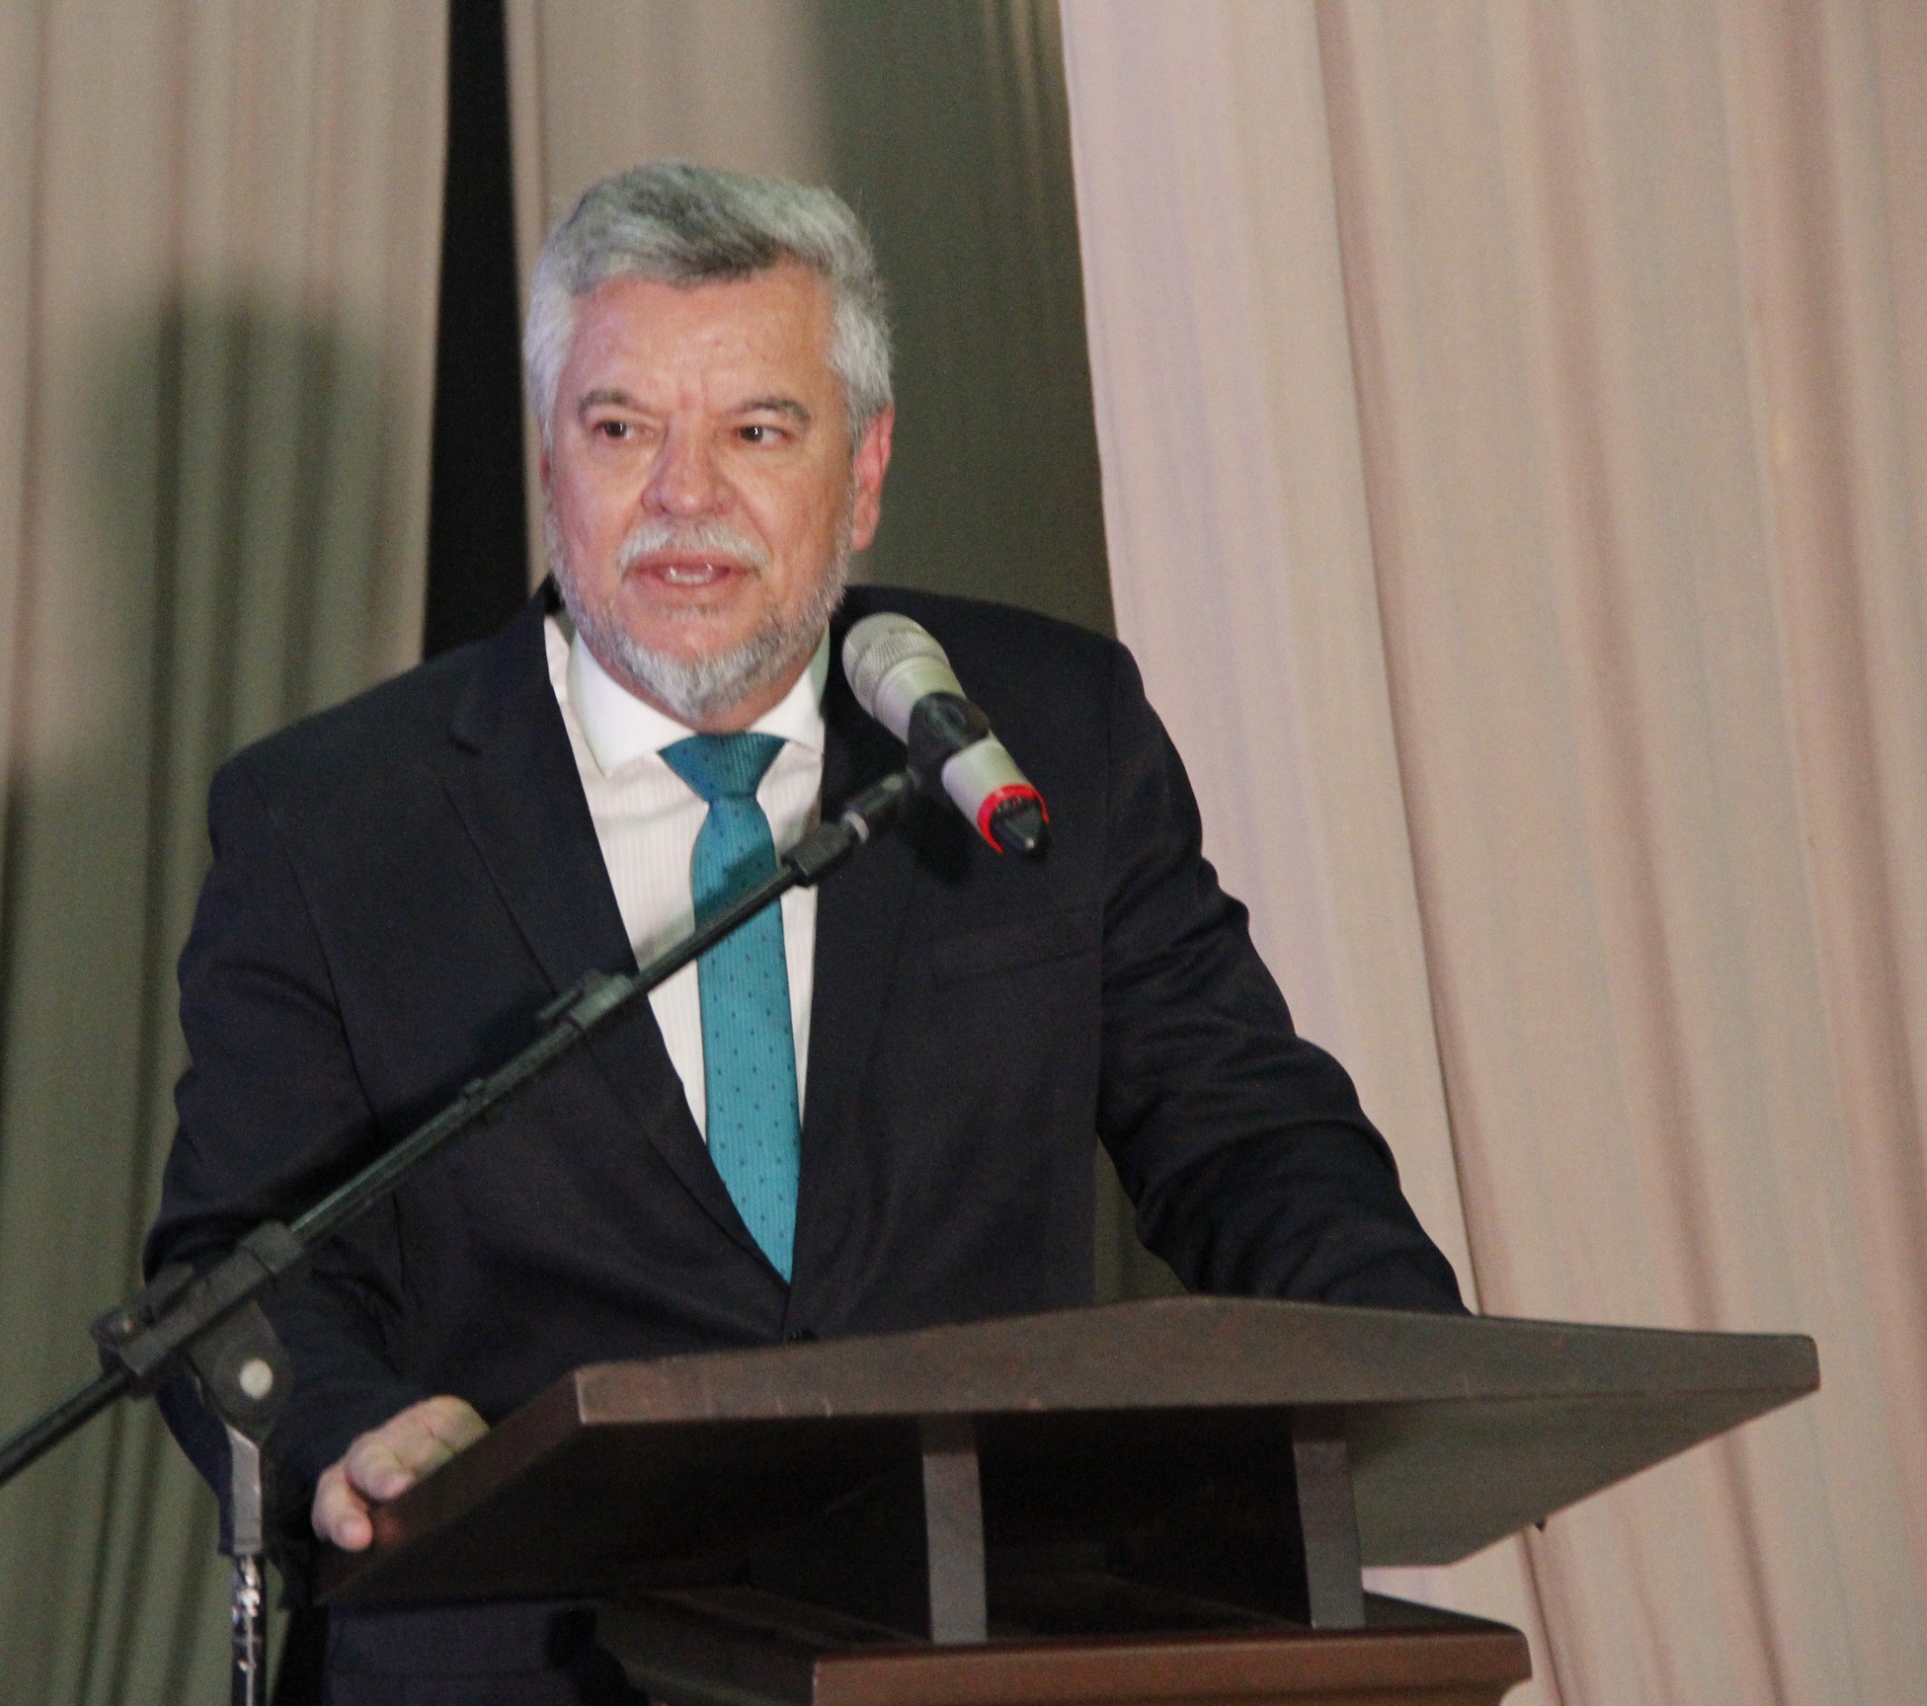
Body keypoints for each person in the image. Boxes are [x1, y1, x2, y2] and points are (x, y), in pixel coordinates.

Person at [147, 161, 1462, 1705]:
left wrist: (1413, 1362)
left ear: (867, 467)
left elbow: (1243, 1132)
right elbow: (236, 1265)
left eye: (757, 431)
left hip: (967, 1650)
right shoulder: (333, 818)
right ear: (552, 455)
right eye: (622, 429)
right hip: (523, 1658)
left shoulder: (1042, 735)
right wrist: (346, 1425)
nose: (684, 498)